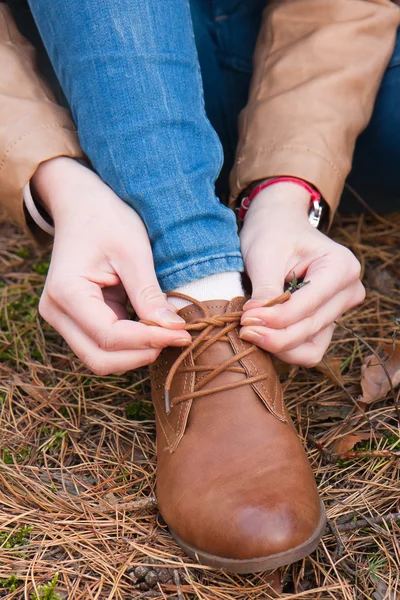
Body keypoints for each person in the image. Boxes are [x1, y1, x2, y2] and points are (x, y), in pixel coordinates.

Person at [1, 0, 399, 573]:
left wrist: (289, 188)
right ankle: (198, 272)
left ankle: (166, 180)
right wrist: (54, 178)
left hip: (280, 49)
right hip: (101, 50)